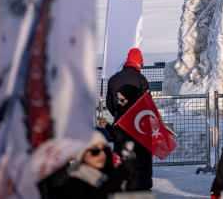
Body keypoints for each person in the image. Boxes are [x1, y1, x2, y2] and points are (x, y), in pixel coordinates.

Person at [105, 47, 152, 191]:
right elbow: (147, 105)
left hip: (120, 126)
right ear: (140, 62)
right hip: (139, 128)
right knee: (142, 158)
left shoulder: (113, 79)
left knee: (121, 156)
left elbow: (110, 103)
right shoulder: (141, 80)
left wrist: (118, 116)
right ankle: (143, 186)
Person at [40, 132, 132, 199]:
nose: (102, 154)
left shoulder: (107, 176)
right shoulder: (73, 183)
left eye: (105, 149)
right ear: (82, 154)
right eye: (94, 151)